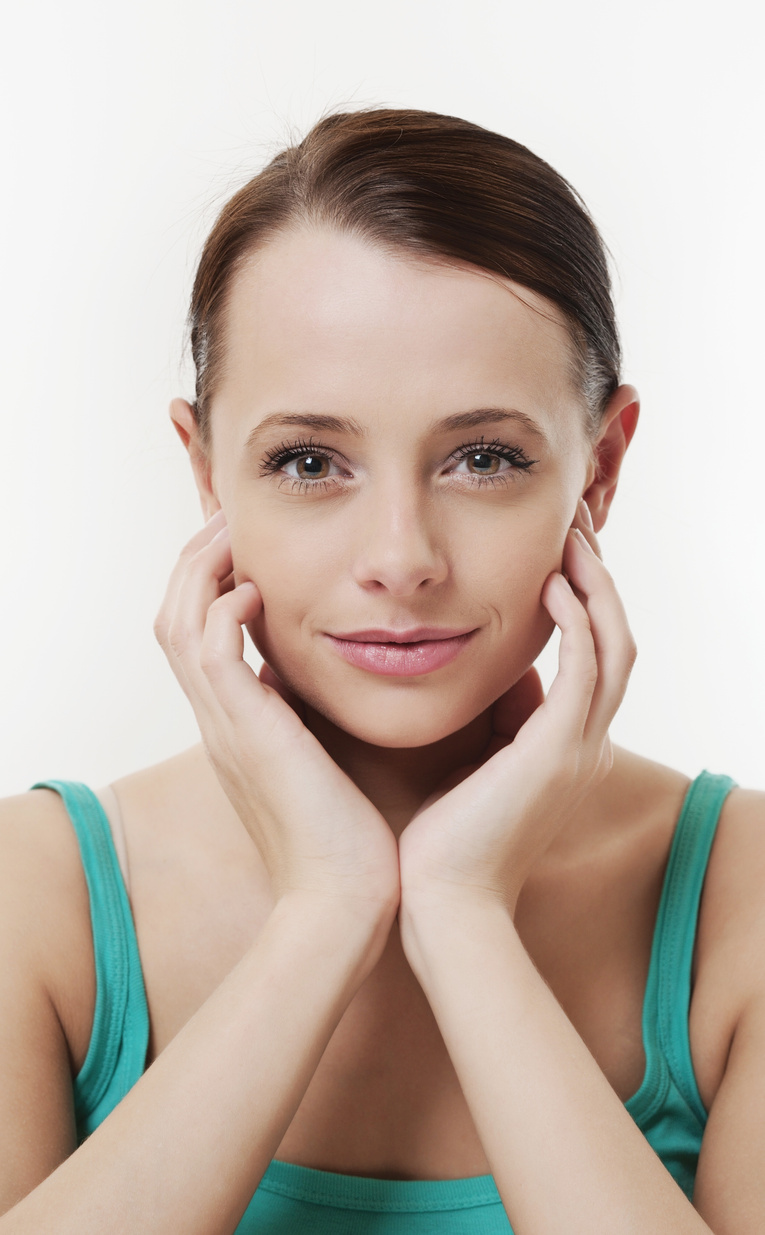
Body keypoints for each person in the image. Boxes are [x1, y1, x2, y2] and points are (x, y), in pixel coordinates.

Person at [0, 105, 761, 1235]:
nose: (400, 558)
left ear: (599, 470)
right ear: (207, 474)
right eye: (310, 460)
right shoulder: (38, 896)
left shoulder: (741, 898)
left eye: (484, 457)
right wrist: (329, 906)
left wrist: (460, 909)